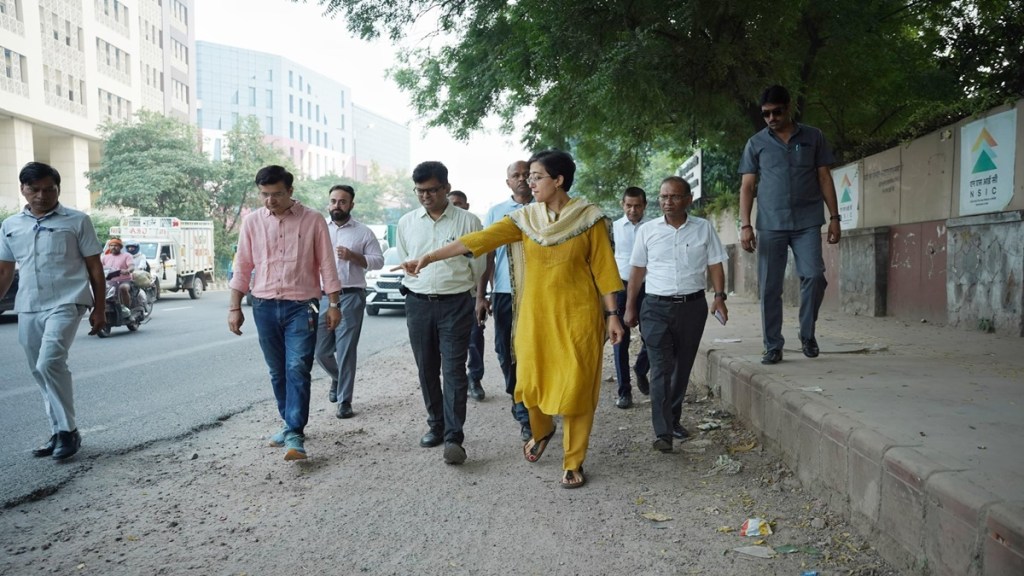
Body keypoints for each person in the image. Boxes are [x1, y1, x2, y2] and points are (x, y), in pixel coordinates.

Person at [398, 150, 625, 489]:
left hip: (578, 316)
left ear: (558, 180)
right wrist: (429, 257)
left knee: (577, 387)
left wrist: (613, 315)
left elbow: (604, 270)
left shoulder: (589, 219)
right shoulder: (525, 219)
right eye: (528, 176)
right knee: (529, 384)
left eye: (536, 177)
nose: (529, 182)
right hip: (534, 316)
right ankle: (542, 429)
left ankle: (573, 460)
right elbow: (477, 241)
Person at [228, 165, 342, 461]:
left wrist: (334, 304)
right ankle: (289, 422)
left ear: (290, 191)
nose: (270, 200)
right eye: (264, 194)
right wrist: (234, 307)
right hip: (263, 306)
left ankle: (295, 432)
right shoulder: (252, 222)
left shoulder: (313, 220)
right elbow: (243, 265)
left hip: (302, 306)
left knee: (297, 367)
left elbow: (327, 264)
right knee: (277, 370)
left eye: (277, 194)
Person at [0, 161, 106, 461]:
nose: (42, 196)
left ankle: (68, 432)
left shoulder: (77, 220)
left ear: (58, 189)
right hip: (29, 304)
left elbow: (95, 268)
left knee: (50, 362)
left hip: (67, 300)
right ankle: (58, 430)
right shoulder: (10, 226)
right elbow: (5, 271)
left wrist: (100, 309)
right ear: (23, 189)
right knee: (39, 370)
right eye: (34, 189)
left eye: (49, 189)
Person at [624, 177, 728, 453]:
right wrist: (630, 306)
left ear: (688, 199)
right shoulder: (647, 231)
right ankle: (663, 432)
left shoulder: (703, 228)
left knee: (682, 367)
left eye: (674, 196)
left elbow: (715, 264)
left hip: (692, 307)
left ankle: (673, 418)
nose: (667, 202)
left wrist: (719, 297)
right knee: (661, 368)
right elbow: (637, 270)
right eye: (663, 197)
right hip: (655, 307)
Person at [738, 85, 841, 365]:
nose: (771, 118)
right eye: (766, 114)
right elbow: (747, 186)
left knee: (815, 276)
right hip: (771, 224)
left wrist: (835, 218)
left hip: (807, 221)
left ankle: (807, 333)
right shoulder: (756, 143)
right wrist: (745, 225)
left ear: (789, 107)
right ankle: (772, 345)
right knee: (770, 287)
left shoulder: (813, 137)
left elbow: (824, 178)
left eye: (777, 112)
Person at [397, 162, 485, 465]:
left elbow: (478, 265)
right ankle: (435, 424)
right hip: (418, 303)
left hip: (455, 304)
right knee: (426, 367)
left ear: (446, 188)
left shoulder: (469, 222)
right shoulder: (407, 222)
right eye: (420, 191)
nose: (426, 196)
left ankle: (453, 437)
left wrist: (474, 296)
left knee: (454, 369)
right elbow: (406, 259)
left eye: (432, 190)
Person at [314, 184, 384, 419]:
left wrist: (354, 256)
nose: (337, 205)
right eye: (333, 201)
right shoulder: (319, 228)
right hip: (323, 298)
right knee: (320, 351)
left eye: (342, 202)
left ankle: (345, 401)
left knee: (345, 350)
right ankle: (337, 377)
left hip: (351, 296)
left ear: (351, 204)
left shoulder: (363, 232)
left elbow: (378, 261)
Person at [481, 161, 533, 441]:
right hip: (504, 292)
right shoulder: (497, 212)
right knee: (505, 350)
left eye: (527, 174)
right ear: (508, 182)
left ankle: (530, 410)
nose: (522, 179)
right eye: (516, 175)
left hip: (539, 293)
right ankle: (517, 397)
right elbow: (487, 254)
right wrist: (481, 295)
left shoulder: (546, 208)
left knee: (534, 350)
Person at [611, 186, 651, 409]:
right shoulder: (613, 228)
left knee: (653, 335)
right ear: (622, 204)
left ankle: (641, 368)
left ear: (645, 205)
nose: (633, 210)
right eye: (628, 205)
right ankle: (624, 392)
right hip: (620, 286)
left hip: (648, 287)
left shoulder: (654, 227)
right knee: (620, 340)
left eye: (637, 206)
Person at [447, 189, 486, 402]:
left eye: (459, 203)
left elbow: (482, 265)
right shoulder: (443, 230)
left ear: (467, 206)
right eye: (452, 203)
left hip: (471, 295)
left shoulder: (473, 227)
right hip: (450, 296)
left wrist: (480, 297)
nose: (456, 207)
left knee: (474, 337)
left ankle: (475, 379)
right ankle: (456, 382)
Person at [101, 238, 135, 314]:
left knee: (123, 288)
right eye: (111, 245)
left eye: (116, 245)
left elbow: (131, 266)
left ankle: (127, 310)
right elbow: (99, 268)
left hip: (125, 280)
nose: (113, 247)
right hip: (110, 281)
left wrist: (128, 270)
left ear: (120, 247)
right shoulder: (105, 257)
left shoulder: (127, 256)